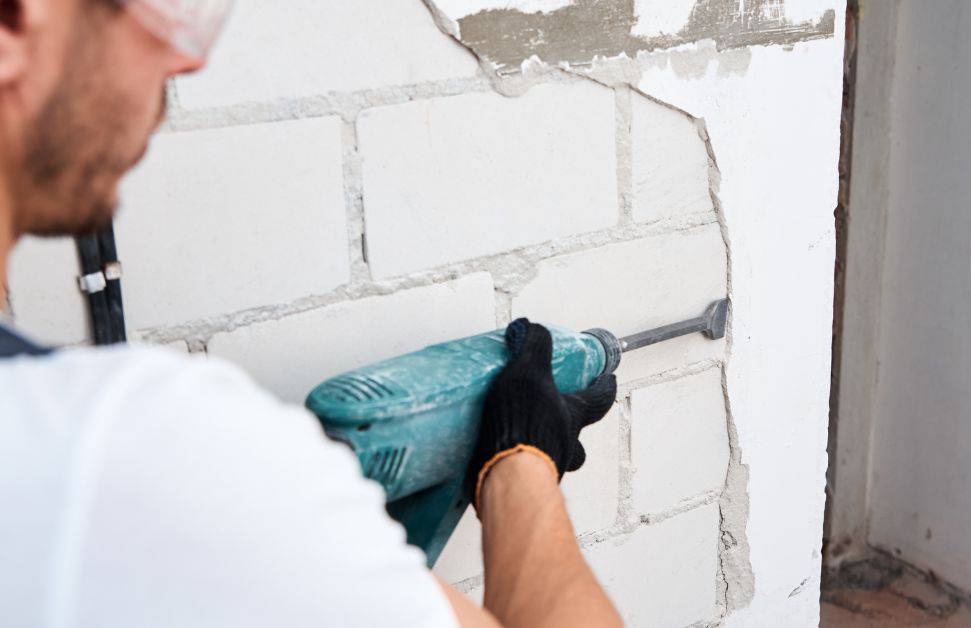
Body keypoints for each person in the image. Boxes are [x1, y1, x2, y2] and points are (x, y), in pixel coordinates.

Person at [0, 1, 622, 626]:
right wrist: (520, 456)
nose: (188, 59)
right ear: (13, 22)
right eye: (158, 10)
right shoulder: (135, 451)